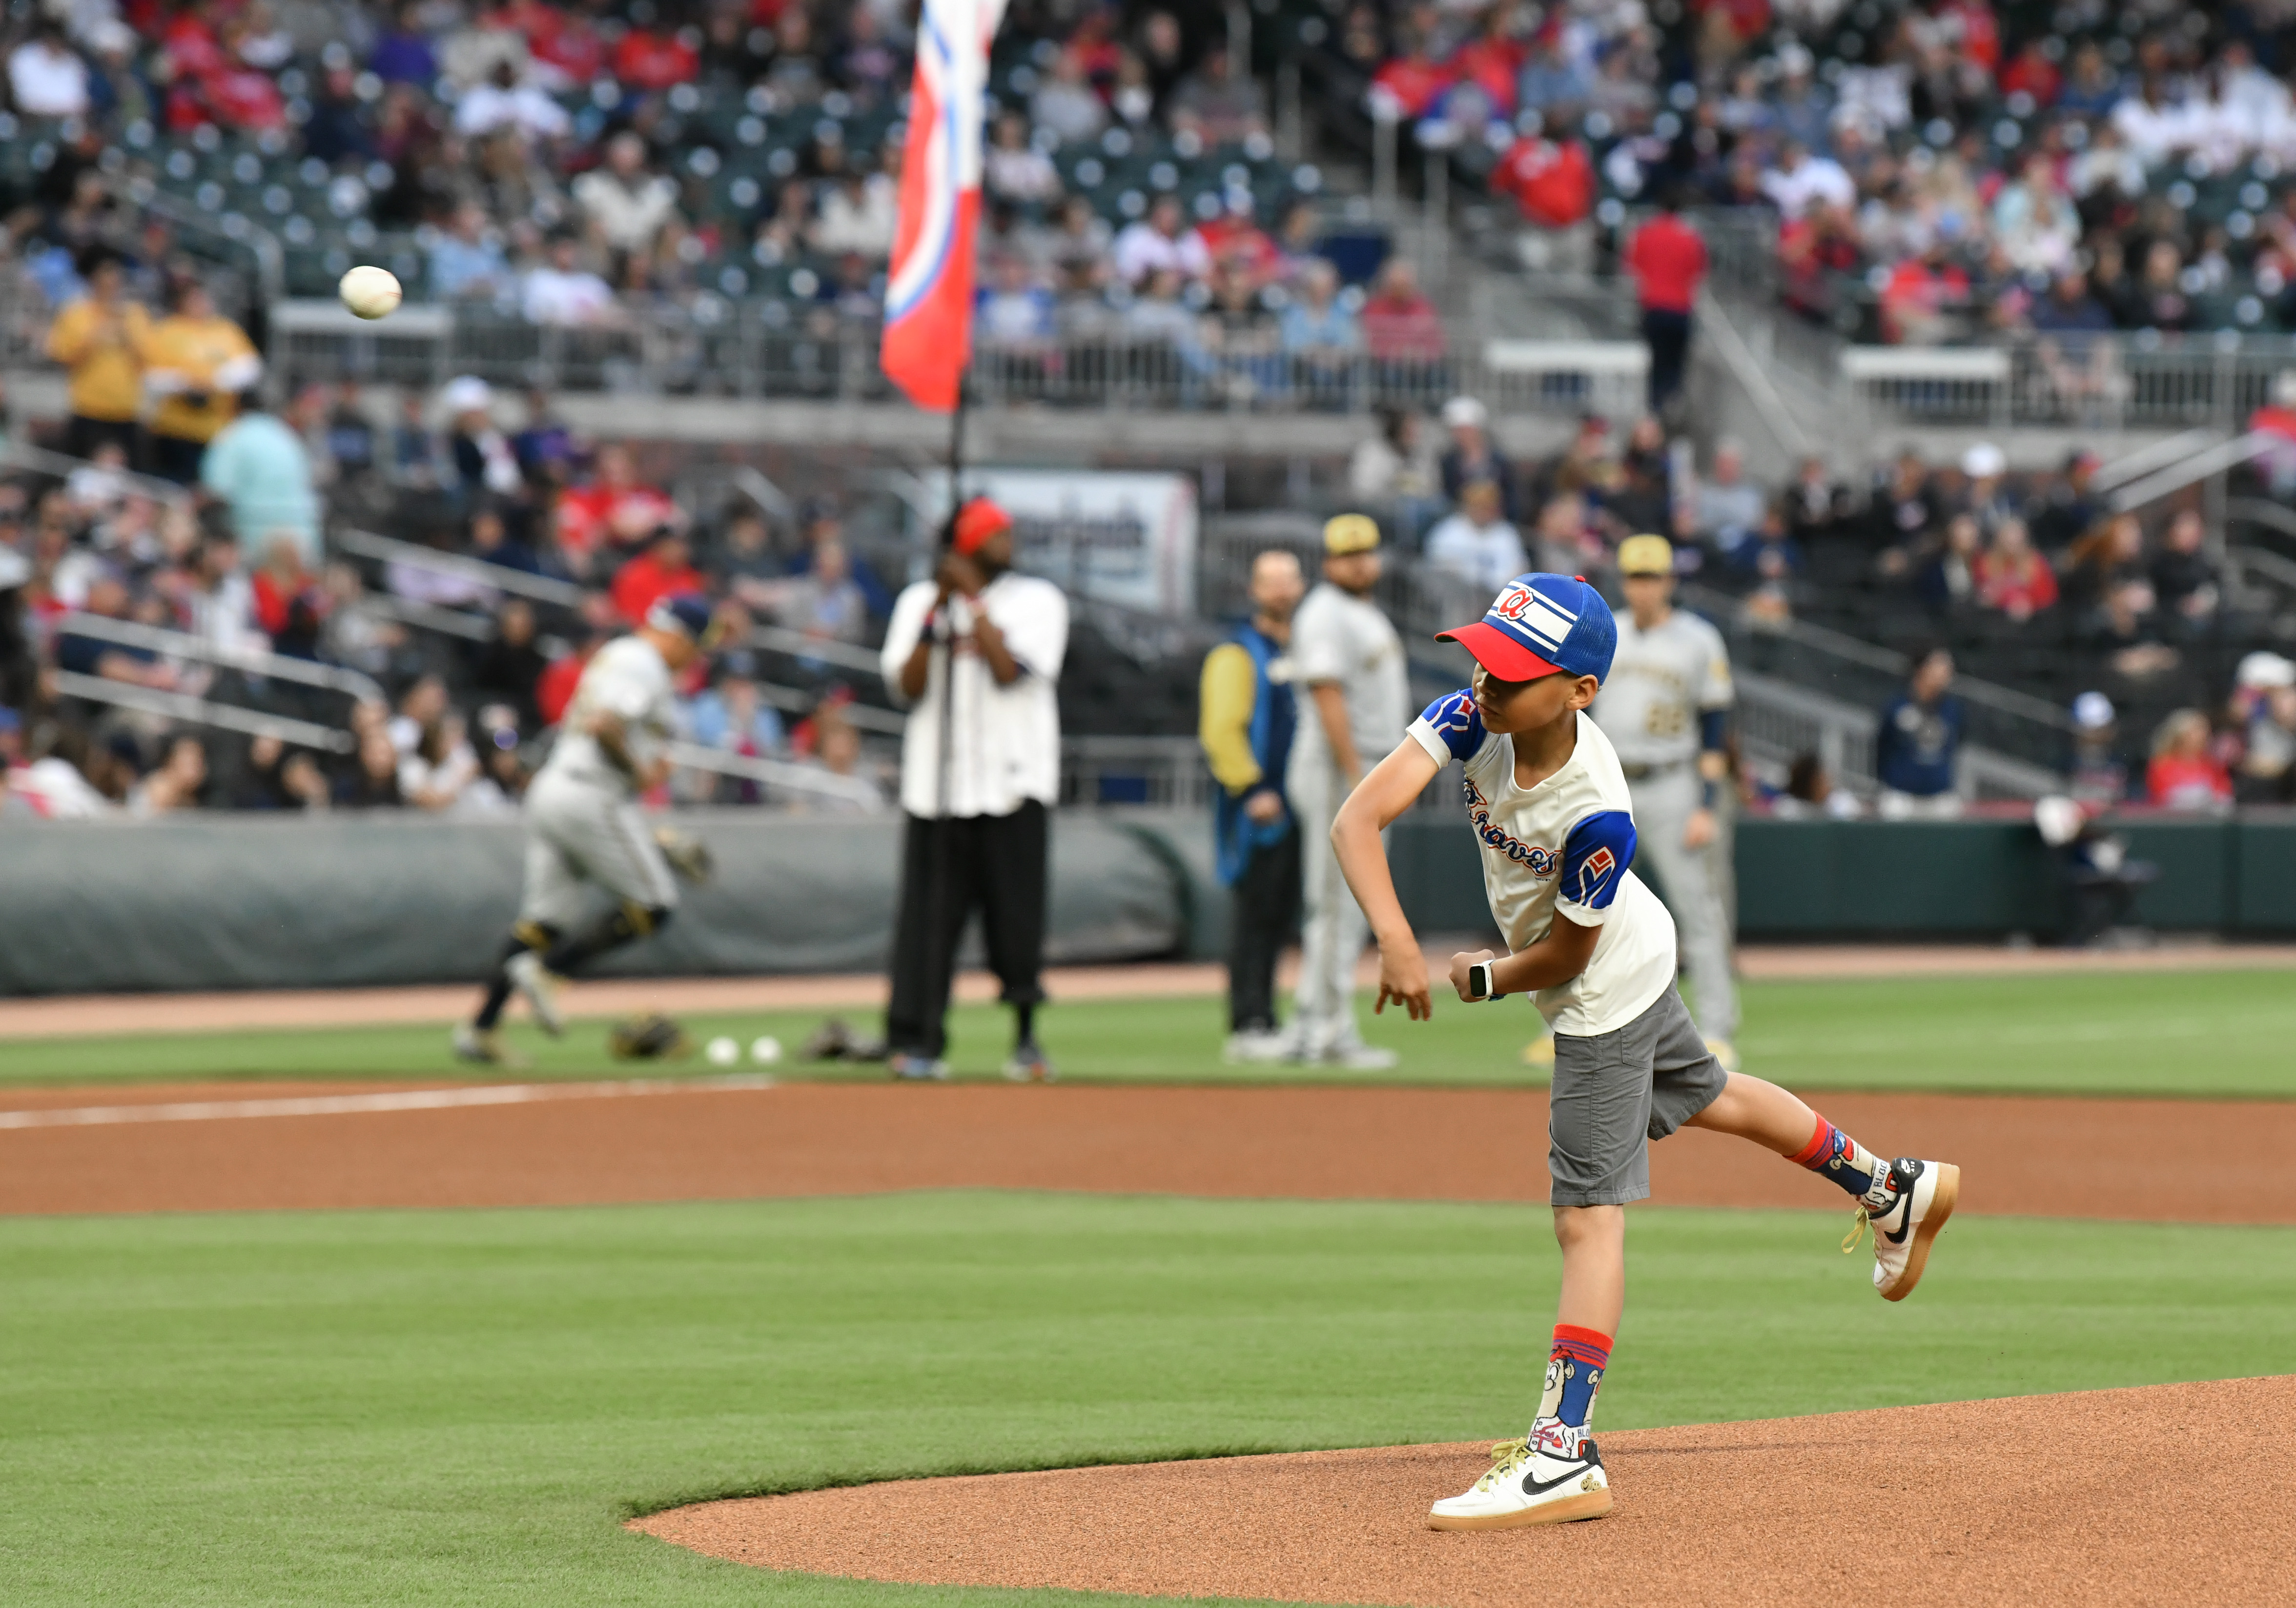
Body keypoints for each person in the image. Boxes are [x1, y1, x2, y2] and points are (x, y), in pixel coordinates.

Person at [1327, 570, 1960, 1529]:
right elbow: (1357, 819)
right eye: (1485, 662)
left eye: (1514, 672)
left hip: (1600, 988)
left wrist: (1490, 977)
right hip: (1628, 945)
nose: (1488, 684)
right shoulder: (1467, 718)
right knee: (1714, 1094)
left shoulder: (1599, 811)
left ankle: (1562, 1451)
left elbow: (1567, 956)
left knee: (1588, 1217)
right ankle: (1890, 1184)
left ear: (1581, 690)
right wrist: (1396, 936)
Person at [456, 593, 719, 1065]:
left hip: (557, 788)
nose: (696, 656)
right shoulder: (645, 663)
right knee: (655, 904)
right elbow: (604, 724)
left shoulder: (620, 653)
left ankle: (480, 1029)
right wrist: (638, 771)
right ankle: (547, 971)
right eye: (695, 644)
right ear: (678, 635)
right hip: (588, 794)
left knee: (543, 921)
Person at [878, 498, 1069, 1082]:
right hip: (936, 790)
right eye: (993, 534)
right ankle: (917, 1040)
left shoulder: (1038, 600)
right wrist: (940, 606)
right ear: (964, 542)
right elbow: (905, 685)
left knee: (1017, 923)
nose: (1005, 543)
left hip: (1014, 784)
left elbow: (1011, 671)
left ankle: (1026, 1039)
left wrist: (975, 603)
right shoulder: (918, 602)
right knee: (926, 926)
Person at [1557, 533, 1741, 1069]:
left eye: (1651, 577)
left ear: (1669, 581)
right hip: (1610, 781)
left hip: (1673, 783)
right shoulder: (1602, 632)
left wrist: (1707, 803)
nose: (1642, 587)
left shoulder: (1699, 639)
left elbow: (1715, 727)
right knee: (1586, 906)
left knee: (1698, 908)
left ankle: (1718, 1028)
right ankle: (1575, 1026)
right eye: (1634, 577)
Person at [1285, 514, 1409, 1069]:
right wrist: (1359, 775)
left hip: (1364, 766)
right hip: (1341, 767)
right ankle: (1327, 1032)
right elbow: (1326, 694)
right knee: (1338, 904)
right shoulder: (1324, 613)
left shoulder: (1361, 611)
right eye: (1348, 554)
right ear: (1329, 562)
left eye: (1367, 551)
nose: (1360, 562)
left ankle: (1312, 1018)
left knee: (1343, 905)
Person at [1198, 549, 1305, 1062]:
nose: (1282, 591)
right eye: (1272, 582)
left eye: (1289, 581)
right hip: (1262, 807)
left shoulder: (1308, 648)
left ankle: (1272, 1017)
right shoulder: (1236, 653)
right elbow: (1221, 729)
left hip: (1304, 803)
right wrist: (1251, 788)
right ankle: (1249, 1020)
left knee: (1284, 915)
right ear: (1255, 590)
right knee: (1256, 915)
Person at [142, 280, 262, 484]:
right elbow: (151, 377)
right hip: (176, 429)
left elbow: (251, 368)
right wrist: (186, 383)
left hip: (217, 430)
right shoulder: (168, 331)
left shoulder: (226, 331)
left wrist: (216, 382)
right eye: (194, 299)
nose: (201, 304)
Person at [45, 247, 149, 463]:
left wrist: (127, 337)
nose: (114, 279)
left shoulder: (135, 314)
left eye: (117, 273)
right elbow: (64, 360)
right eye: (108, 272)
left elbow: (148, 363)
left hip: (126, 411)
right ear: (93, 277)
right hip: (88, 409)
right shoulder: (76, 313)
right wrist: (94, 338)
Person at [199, 387, 322, 568]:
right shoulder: (286, 435)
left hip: (256, 533)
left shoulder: (235, 433)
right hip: (303, 532)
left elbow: (217, 490)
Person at [1621, 191, 1707, 415]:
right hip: (1680, 308)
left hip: (1653, 306)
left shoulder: (1646, 233)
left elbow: (1632, 266)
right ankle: (1671, 404)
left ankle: (1655, 408)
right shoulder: (1690, 237)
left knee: (1656, 360)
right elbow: (1698, 271)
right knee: (1675, 363)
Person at [1875, 647, 1965, 818]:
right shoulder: (1897, 706)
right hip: (1900, 795)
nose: (1947, 672)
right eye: (1940, 666)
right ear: (1922, 669)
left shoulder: (1952, 709)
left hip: (1939, 796)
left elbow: (1958, 741)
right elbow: (1882, 744)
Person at [1423, 479, 1529, 594]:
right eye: (1478, 505)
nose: (1483, 511)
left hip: (1498, 600)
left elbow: (1519, 569)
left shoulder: (1507, 534)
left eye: (1488, 506)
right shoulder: (1447, 533)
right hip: (1456, 600)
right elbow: (1438, 571)